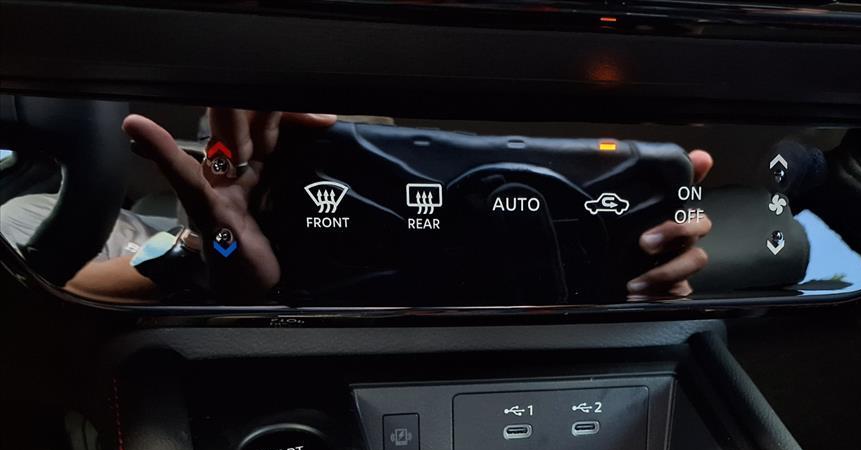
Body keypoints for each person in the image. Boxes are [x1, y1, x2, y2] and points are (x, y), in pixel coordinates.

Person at [30, 109, 714, 303]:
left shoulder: (417, 241)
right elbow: (49, 284)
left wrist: (631, 297)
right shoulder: (50, 216)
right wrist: (205, 249)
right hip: (157, 241)